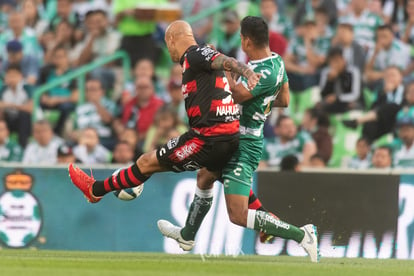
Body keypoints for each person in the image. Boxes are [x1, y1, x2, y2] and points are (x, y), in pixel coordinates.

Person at [157, 17, 319, 263]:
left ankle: (301, 234)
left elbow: (236, 96)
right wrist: (262, 102)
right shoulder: (277, 62)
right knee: (205, 175)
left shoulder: (260, 72)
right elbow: (284, 100)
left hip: (245, 143)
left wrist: (221, 68)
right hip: (238, 136)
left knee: (238, 214)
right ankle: (187, 235)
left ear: (245, 40)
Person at [68, 19, 259, 213]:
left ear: (172, 39)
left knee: (146, 162)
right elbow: (221, 62)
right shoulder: (198, 59)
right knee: (225, 177)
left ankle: (95, 190)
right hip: (229, 134)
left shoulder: (195, 54)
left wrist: (247, 72)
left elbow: (226, 60)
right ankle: (264, 219)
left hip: (207, 137)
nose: (169, 52)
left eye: (168, 46)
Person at [319, 47, 362, 114]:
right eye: (331, 61)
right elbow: (323, 95)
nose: (334, 64)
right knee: (320, 106)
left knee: (352, 105)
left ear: (343, 60)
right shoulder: (326, 72)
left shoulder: (353, 72)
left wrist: (338, 98)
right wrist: (330, 81)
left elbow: (355, 94)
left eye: (337, 61)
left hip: (348, 102)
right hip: (331, 103)